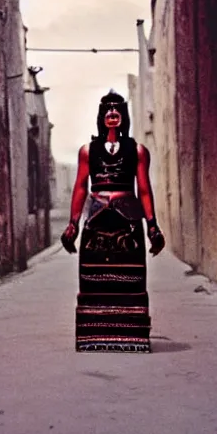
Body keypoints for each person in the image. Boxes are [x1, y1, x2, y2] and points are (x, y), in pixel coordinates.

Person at [61, 90, 165, 353]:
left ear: (124, 114)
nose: (112, 113)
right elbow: (80, 187)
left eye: (117, 108)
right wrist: (73, 224)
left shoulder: (138, 151)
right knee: (94, 279)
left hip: (127, 219)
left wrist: (152, 225)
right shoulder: (88, 151)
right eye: (107, 109)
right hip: (96, 217)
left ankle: (132, 336)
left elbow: (143, 189)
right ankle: (93, 336)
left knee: (129, 278)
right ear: (101, 115)